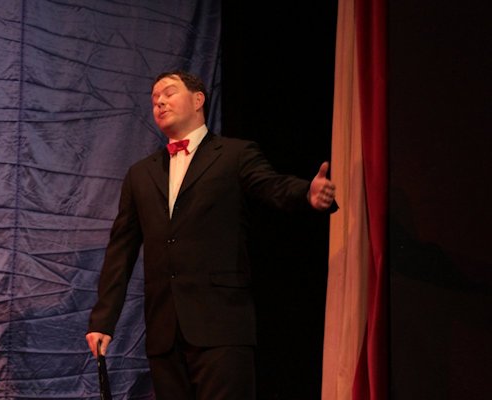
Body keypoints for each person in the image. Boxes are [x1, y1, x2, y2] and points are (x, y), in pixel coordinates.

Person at [86, 70, 338, 399]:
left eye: (169, 93)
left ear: (198, 100)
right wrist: (103, 321)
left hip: (221, 325)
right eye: (154, 98)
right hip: (165, 331)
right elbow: (121, 250)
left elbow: (271, 185)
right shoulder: (140, 174)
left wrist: (306, 193)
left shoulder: (234, 154)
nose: (159, 102)